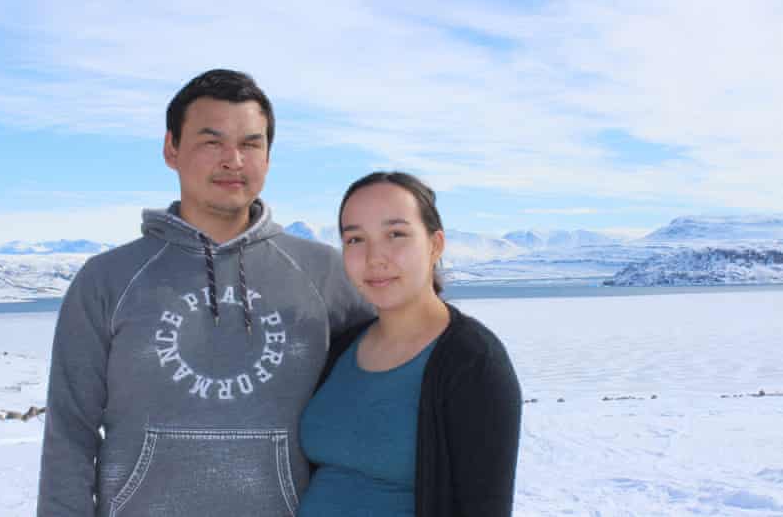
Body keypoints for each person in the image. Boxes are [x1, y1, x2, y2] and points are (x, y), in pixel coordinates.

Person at [37, 69, 372, 517]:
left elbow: (399, 383)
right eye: (212, 141)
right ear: (171, 149)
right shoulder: (107, 279)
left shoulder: (325, 273)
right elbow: (70, 433)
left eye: (251, 144)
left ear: (269, 157)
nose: (233, 160)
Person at [299, 172, 522, 516]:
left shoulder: (473, 361)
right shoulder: (342, 346)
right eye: (355, 239)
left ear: (435, 245)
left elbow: (485, 506)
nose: (375, 258)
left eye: (396, 235)